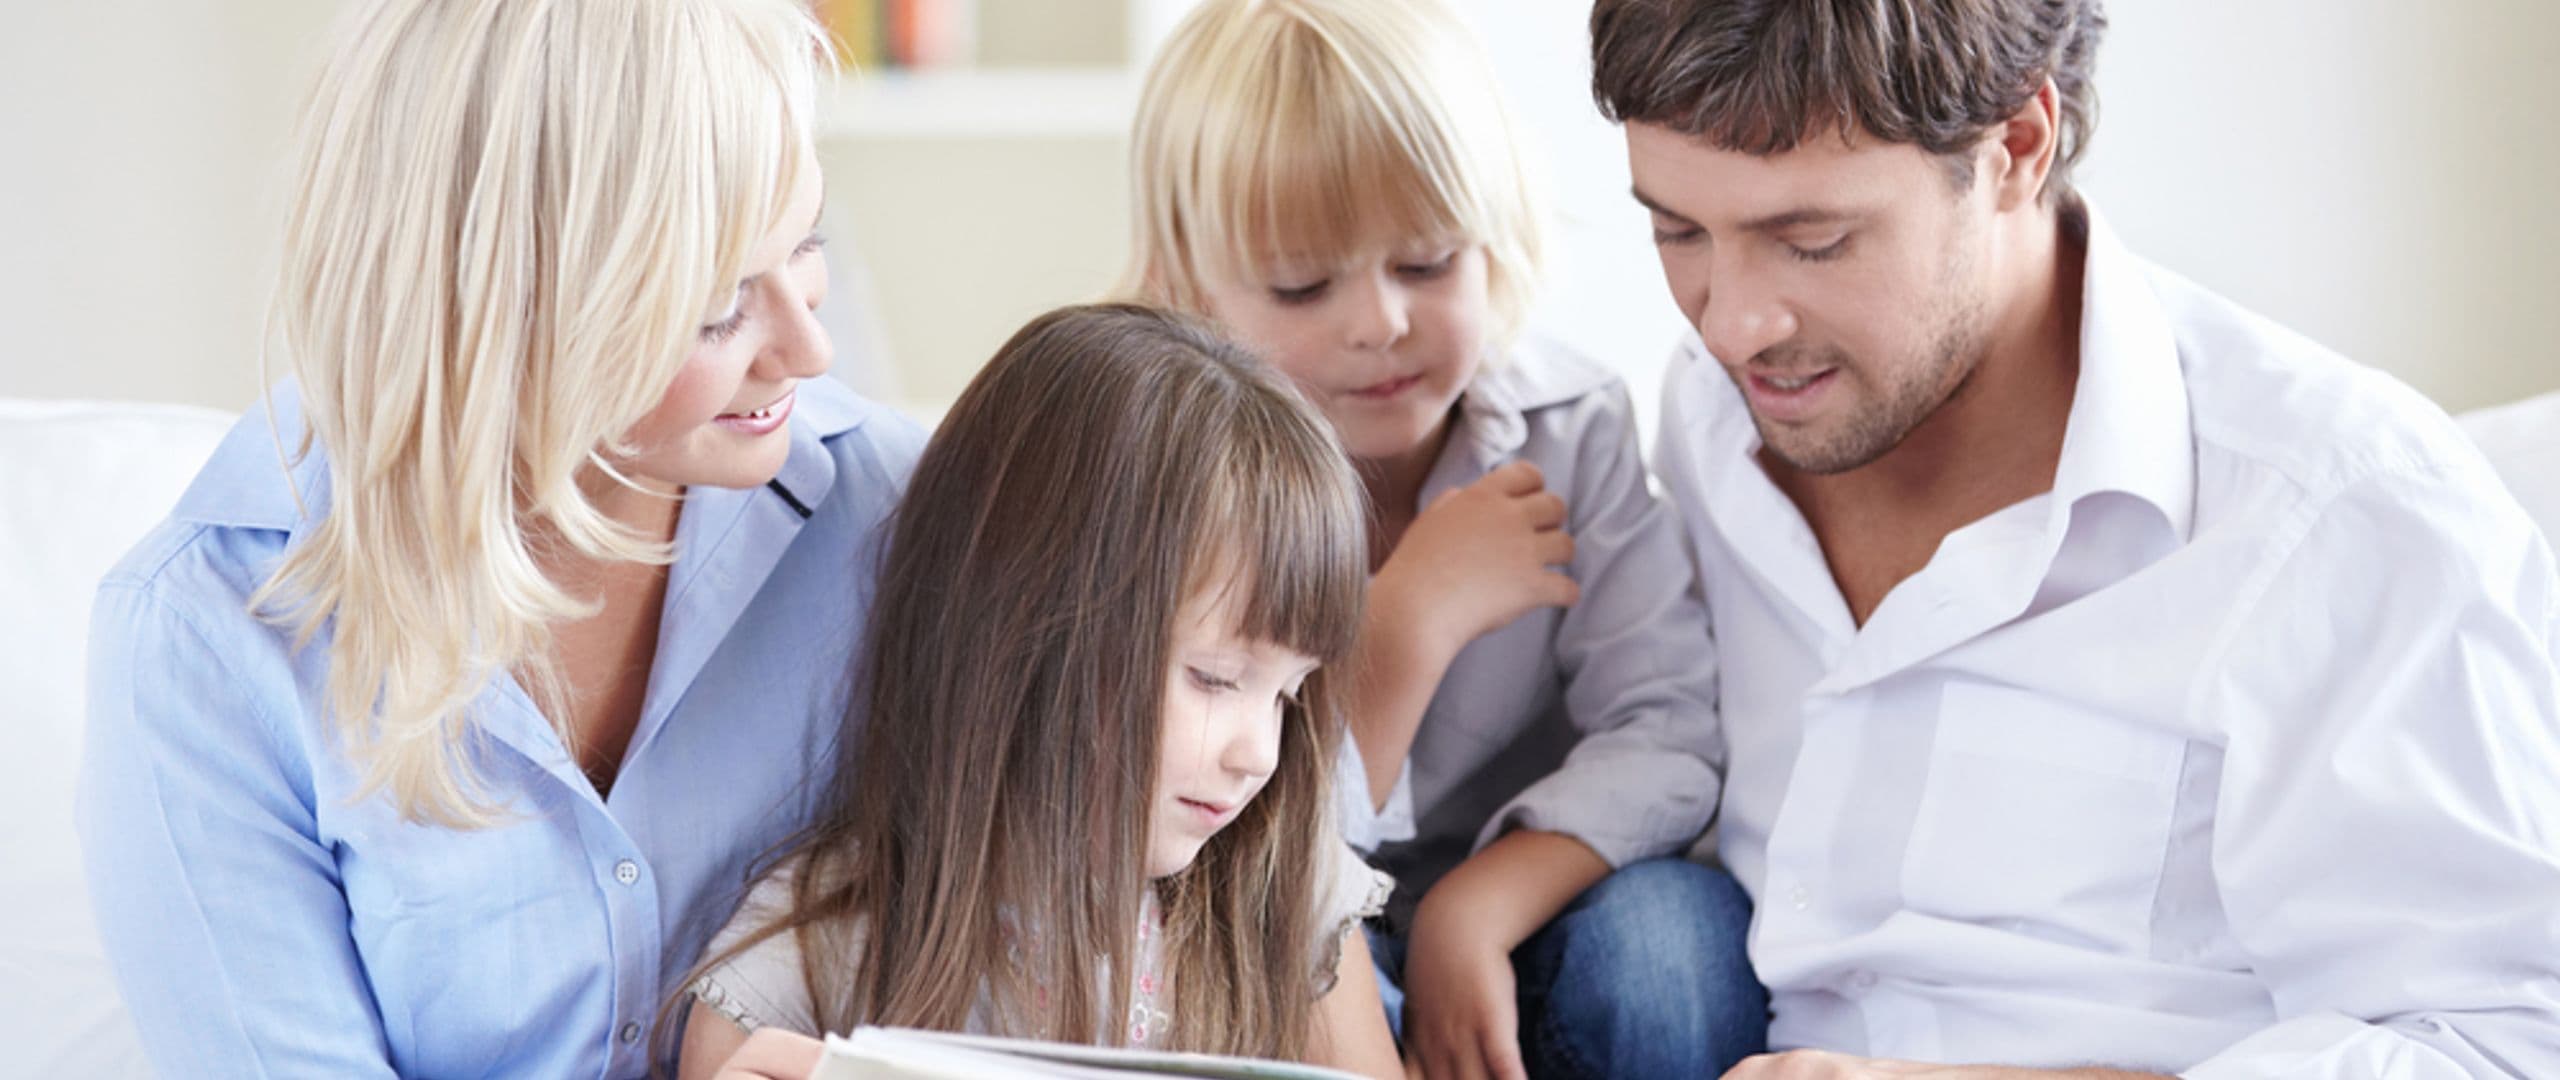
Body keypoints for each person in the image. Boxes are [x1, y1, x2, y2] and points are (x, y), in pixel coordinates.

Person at [1587, 1, 2560, 1077]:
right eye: (1676, 231)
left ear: (2014, 146)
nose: (1728, 324)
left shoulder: (2342, 513)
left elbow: (2495, 1047)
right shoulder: (1722, 418)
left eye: (1811, 243)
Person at [74, 1, 923, 1075]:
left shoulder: (901, 517)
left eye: (804, 242)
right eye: (716, 309)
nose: (809, 348)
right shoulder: (207, 639)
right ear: (503, 307)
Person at [1121, 1, 1764, 1076]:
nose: (1380, 323)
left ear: (1492, 239)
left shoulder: (1566, 427)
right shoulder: (1162, 478)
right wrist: (1408, 621)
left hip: (1529, 899)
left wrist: (1476, 905)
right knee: (1270, 975)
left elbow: (1665, 725)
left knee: (1671, 953)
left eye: (1426, 263)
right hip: (1272, 893)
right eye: (1301, 284)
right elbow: (1205, 827)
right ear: (1189, 285)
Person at [671, 304, 1404, 1080]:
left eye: (1289, 695)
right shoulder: (807, 959)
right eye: (1215, 679)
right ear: (1027, 633)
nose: (1258, 754)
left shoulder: (1282, 892)